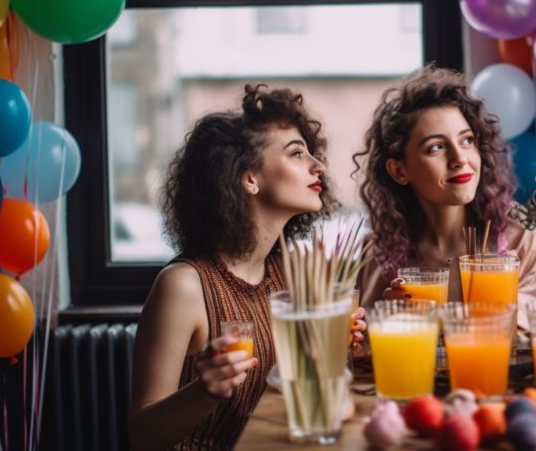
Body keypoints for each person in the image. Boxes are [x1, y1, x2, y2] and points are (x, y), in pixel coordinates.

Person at [129, 85, 366, 451]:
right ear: (249, 178)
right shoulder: (183, 286)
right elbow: (140, 437)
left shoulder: (288, 270)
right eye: (296, 153)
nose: (318, 165)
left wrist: (349, 350)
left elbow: (304, 392)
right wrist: (203, 392)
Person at [354, 65, 536, 328]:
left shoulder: (518, 229)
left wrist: (439, 319)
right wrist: (388, 318)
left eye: (467, 140)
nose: (460, 159)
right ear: (399, 171)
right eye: (436, 147)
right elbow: (363, 345)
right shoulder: (382, 252)